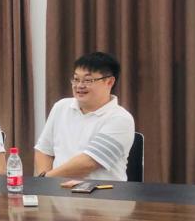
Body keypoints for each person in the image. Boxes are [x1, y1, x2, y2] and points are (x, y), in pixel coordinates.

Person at [34, 51, 136, 182]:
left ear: (109, 82)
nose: (79, 86)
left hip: (103, 192)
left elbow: (88, 163)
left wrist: (46, 179)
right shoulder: (61, 107)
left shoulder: (120, 118)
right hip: (58, 189)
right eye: (76, 79)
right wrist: (46, 186)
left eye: (88, 80)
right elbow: (44, 151)